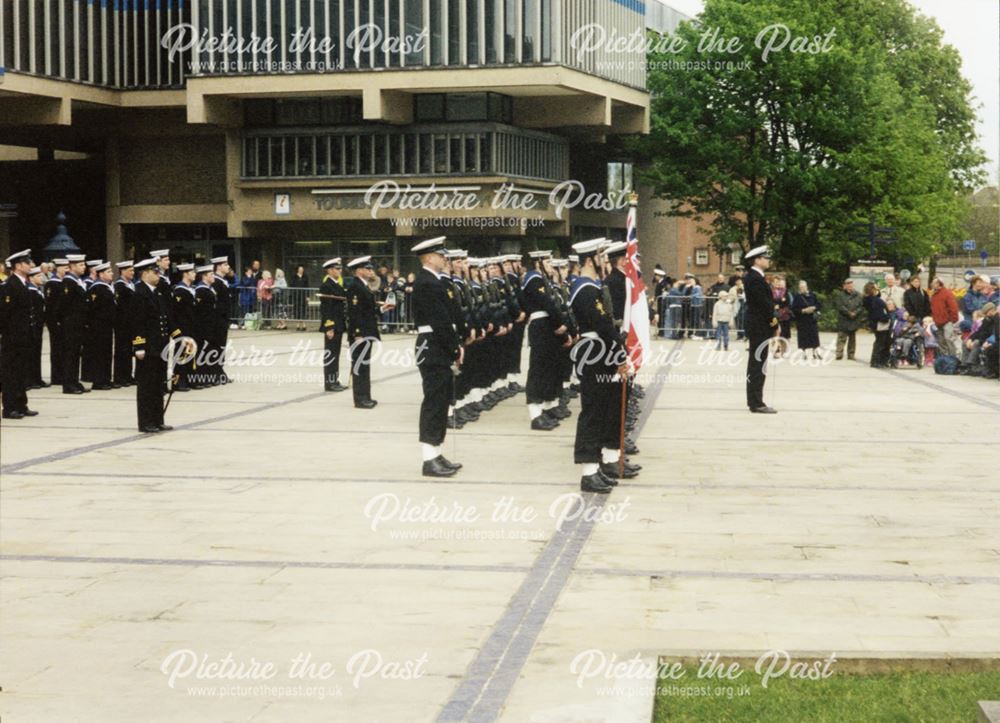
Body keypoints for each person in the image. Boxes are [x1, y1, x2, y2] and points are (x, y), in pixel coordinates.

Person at [568, 238, 638, 493]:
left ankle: (599, 466)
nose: (604, 261)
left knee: (604, 408)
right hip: (594, 353)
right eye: (600, 256)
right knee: (593, 411)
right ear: (589, 260)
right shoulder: (584, 289)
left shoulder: (592, 286)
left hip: (601, 352)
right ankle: (588, 472)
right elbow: (602, 324)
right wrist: (619, 354)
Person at [410, 238, 464, 477]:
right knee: (434, 402)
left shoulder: (431, 281)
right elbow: (440, 322)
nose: (445, 259)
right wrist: (455, 348)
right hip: (433, 346)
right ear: (430, 257)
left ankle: (436, 452)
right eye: (442, 256)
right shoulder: (427, 283)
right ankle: (428, 458)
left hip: (436, 345)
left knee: (441, 401)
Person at [522, 250, 569, 431]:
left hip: (546, 327)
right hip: (541, 327)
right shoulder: (534, 279)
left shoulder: (542, 280)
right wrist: (559, 323)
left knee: (548, 369)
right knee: (538, 370)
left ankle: (545, 409)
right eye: (547, 262)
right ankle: (535, 414)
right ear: (537, 263)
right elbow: (547, 304)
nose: (551, 265)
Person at [131, 258, 172, 433]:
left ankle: (157, 419)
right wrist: (138, 346)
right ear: (145, 273)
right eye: (155, 273)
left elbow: (163, 319)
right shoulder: (139, 293)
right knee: (146, 386)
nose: (158, 275)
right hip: (147, 347)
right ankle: (146, 421)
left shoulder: (157, 292)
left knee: (158, 384)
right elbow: (137, 322)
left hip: (160, 346)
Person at [345, 256, 388, 409]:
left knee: (365, 365)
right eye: (367, 268)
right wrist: (358, 334)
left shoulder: (364, 286)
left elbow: (368, 309)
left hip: (367, 332)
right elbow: (355, 313)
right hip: (360, 334)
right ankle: (360, 399)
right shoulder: (355, 287)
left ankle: (366, 396)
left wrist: (383, 308)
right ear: (359, 271)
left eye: (370, 268)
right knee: (359, 366)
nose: (370, 271)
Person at [0, 250, 39, 418]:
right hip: (12, 337)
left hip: (23, 335)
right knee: (10, 373)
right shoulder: (9, 285)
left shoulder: (23, 283)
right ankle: (9, 408)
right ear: (17, 266)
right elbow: (4, 313)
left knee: (21, 371)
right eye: (26, 262)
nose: (30, 265)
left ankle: (21, 404)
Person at [742, 246, 778, 413]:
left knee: (757, 364)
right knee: (758, 365)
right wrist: (774, 322)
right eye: (765, 257)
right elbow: (764, 305)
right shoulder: (755, 278)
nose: (768, 260)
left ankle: (755, 400)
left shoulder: (755, 277)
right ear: (757, 260)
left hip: (758, 325)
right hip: (759, 326)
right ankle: (756, 402)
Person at [60, 254, 89, 394]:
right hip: (71, 324)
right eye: (80, 265)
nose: (84, 267)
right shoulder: (68, 282)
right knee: (70, 354)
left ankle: (74, 381)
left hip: (78, 324)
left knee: (76, 353)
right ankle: (68, 384)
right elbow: (65, 305)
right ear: (71, 266)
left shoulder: (78, 281)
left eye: (84, 264)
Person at [317, 258, 347, 392]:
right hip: (332, 325)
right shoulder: (326, 286)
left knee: (336, 353)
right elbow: (326, 309)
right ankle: (329, 383)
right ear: (329, 270)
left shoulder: (337, 285)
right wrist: (329, 327)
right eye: (337, 268)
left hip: (339, 324)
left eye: (340, 268)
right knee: (331, 354)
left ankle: (334, 380)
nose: (340, 271)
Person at [88, 262, 117, 390]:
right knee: (99, 353)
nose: (112, 274)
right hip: (98, 326)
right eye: (109, 272)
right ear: (101, 274)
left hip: (107, 326)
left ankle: (106, 378)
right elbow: (93, 309)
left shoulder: (107, 287)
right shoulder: (97, 288)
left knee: (107, 352)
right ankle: (98, 381)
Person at [170, 263, 197, 391]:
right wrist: (177, 331)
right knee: (180, 355)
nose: (194, 274)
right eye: (192, 272)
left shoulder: (191, 289)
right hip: (182, 327)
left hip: (190, 326)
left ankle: (187, 380)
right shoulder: (179, 291)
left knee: (189, 354)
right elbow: (175, 312)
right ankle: (178, 382)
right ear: (185, 274)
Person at [44, 258, 68, 387]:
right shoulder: (52, 284)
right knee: (57, 349)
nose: (67, 270)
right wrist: (54, 322)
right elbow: (50, 306)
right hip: (55, 322)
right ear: (58, 268)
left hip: (63, 322)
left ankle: (62, 374)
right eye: (64, 268)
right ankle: (57, 376)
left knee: (63, 349)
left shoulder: (64, 282)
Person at [193, 264, 217, 387]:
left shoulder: (209, 288)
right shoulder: (201, 290)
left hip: (210, 324)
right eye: (211, 274)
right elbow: (199, 310)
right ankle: (200, 377)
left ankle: (208, 376)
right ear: (204, 276)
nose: (213, 276)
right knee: (202, 351)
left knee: (208, 351)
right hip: (203, 325)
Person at [113, 261, 136, 387]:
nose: (133, 273)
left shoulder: (131, 285)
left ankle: (128, 375)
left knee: (128, 350)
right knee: (121, 350)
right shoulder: (120, 286)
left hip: (130, 322)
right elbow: (120, 306)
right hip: (122, 323)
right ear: (122, 271)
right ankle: (120, 377)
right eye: (130, 270)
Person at [210, 257, 233, 384]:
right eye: (225, 264)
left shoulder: (223, 281)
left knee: (221, 347)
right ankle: (215, 372)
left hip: (223, 319)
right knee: (217, 346)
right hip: (218, 319)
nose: (228, 266)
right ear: (218, 267)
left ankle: (219, 371)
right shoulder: (216, 282)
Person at [831, 278, 863, 360]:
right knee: (841, 337)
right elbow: (840, 306)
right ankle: (839, 353)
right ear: (844, 286)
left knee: (852, 339)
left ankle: (851, 354)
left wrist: (855, 313)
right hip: (844, 319)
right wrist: (848, 313)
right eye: (848, 285)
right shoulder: (840, 295)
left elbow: (861, 306)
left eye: (851, 284)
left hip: (854, 319)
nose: (849, 286)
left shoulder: (858, 295)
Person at [27, 266, 47, 389]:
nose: (41, 278)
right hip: (33, 326)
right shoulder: (31, 291)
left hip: (39, 325)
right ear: (31, 278)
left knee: (36, 353)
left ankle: (37, 378)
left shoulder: (37, 290)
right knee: (32, 353)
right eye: (38, 276)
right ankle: (31, 379)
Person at [863, 282, 891, 368]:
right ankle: (876, 361)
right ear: (872, 290)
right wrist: (886, 318)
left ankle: (880, 360)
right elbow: (878, 313)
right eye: (876, 288)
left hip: (876, 322)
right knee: (881, 342)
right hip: (880, 323)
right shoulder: (875, 300)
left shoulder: (869, 299)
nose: (878, 289)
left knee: (882, 342)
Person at [791, 279, 822, 358]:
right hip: (802, 320)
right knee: (803, 336)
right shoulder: (797, 297)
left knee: (814, 335)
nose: (802, 289)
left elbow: (819, 304)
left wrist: (814, 308)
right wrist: (803, 310)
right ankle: (804, 352)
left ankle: (815, 351)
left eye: (803, 287)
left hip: (812, 319)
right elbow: (794, 309)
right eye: (800, 287)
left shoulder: (812, 295)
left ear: (807, 287)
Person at [929, 277, 960, 356]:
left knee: (948, 339)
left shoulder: (947, 293)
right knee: (941, 342)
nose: (932, 284)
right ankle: (945, 359)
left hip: (947, 321)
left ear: (939, 284)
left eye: (934, 283)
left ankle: (953, 358)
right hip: (938, 322)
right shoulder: (933, 295)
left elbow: (953, 307)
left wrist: (953, 320)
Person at [772, 277, 792, 353]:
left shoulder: (786, 292)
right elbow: (771, 301)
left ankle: (784, 351)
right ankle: (776, 350)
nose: (778, 284)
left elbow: (788, 304)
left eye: (780, 282)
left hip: (784, 316)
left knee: (785, 335)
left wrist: (780, 308)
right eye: (776, 282)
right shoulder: (771, 292)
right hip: (774, 316)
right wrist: (775, 306)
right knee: (774, 333)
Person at [289, 264, 310, 330]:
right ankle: (297, 324)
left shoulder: (305, 276)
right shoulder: (294, 276)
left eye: (302, 269)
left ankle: (304, 324)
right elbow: (291, 285)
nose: (301, 270)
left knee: (303, 309)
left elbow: (307, 286)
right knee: (297, 309)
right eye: (300, 269)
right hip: (296, 296)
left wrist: (308, 296)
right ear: (298, 270)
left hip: (303, 295)